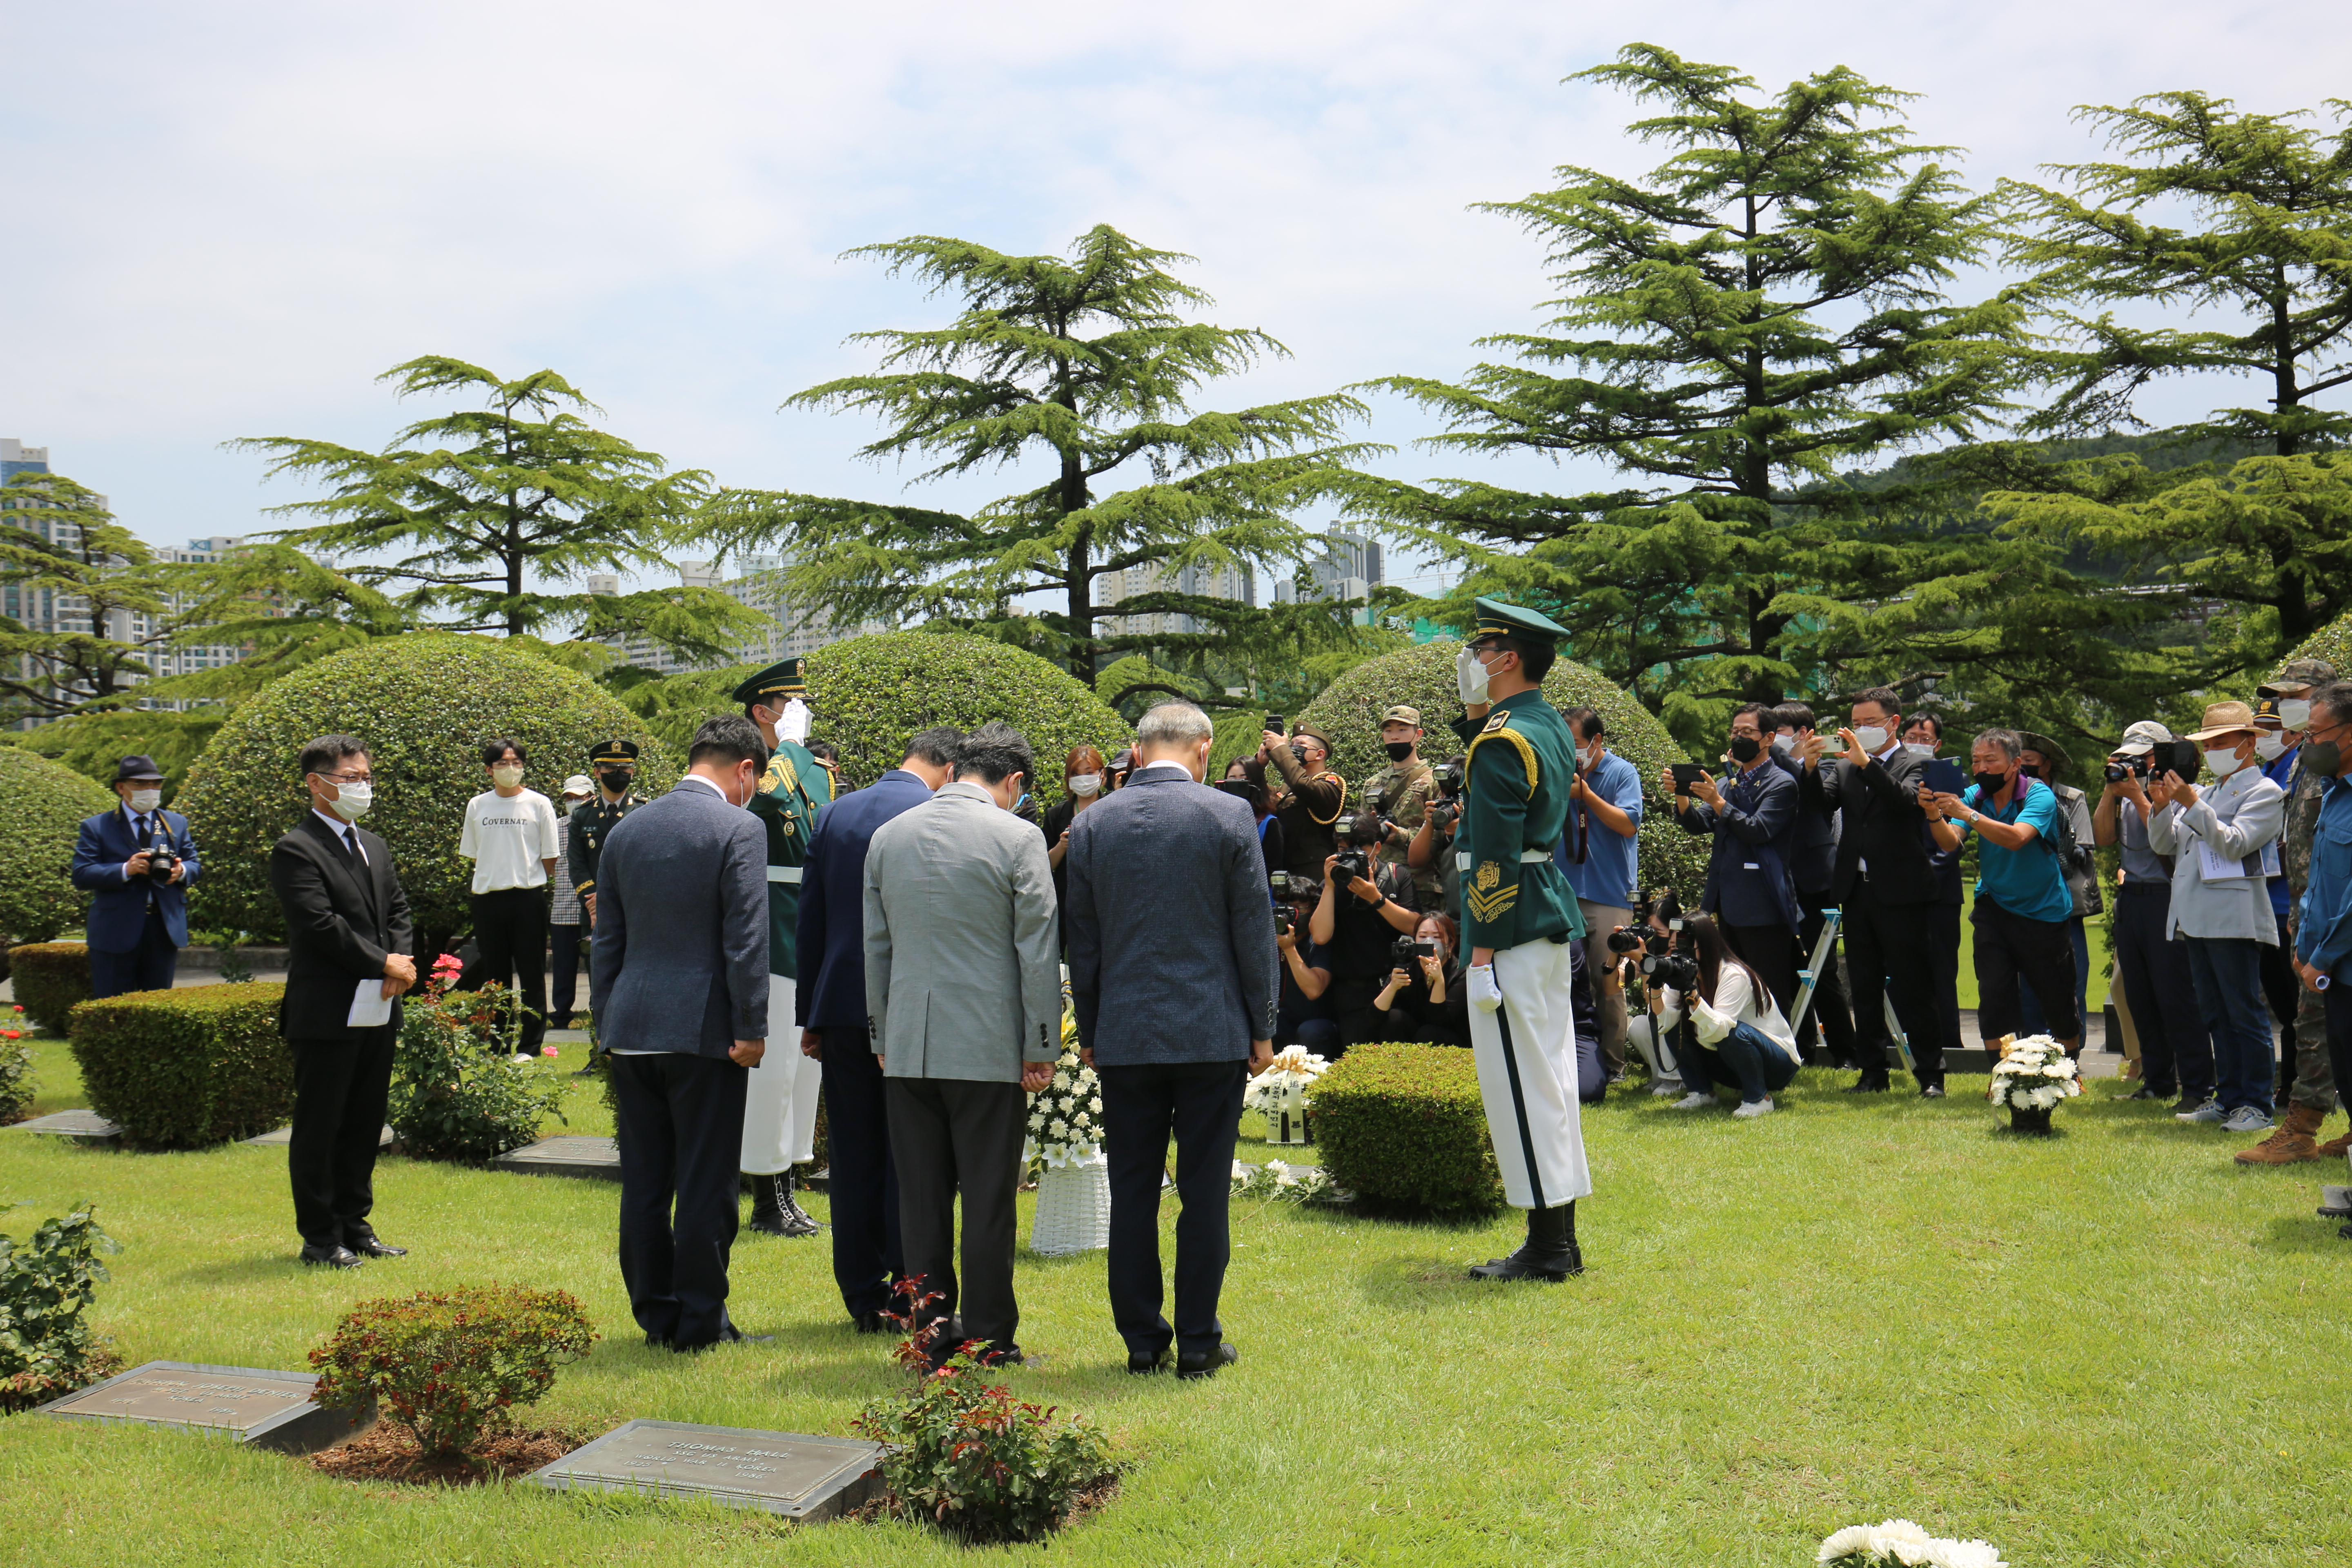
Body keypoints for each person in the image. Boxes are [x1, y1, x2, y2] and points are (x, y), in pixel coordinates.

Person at [1067, 701, 1277, 1379]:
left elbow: (1085, 942)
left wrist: (1091, 1027)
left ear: (1138, 747)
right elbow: (1253, 931)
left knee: (1132, 1190)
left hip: (1126, 1033)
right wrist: (1264, 1026)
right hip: (1210, 1030)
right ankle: (1199, 1339)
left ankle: (1141, 1340)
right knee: (1204, 1190)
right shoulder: (1228, 815)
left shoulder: (1094, 821)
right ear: (1204, 748)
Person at [864, 721, 1061, 1367]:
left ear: (953, 771)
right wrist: (1041, 1044)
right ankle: (985, 1337)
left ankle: (929, 1333)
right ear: (1015, 782)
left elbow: (878, 948)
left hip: (909, 1046)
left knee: (920, 1202)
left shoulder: (889, 836)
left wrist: (882, 1034)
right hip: (986, 1045)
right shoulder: (1019, 835)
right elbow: (1036, 951)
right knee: (986, 1200)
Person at [591, 714, 773, 1351]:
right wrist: (753, 1025)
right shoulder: (740, 827)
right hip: (705, 1032)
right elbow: (746, 939)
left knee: (645, 1183)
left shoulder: (626, 830)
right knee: (705, 1182)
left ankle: (656, 1317)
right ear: (744, 769)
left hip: (632, 1026)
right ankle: (701, 1322)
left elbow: (606, 939)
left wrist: (604, 1023)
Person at [795, 726, 960, 1332]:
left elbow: (810, 921)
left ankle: (862, 1294)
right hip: (913, 1006)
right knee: (913, 1158)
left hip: (839, 1004)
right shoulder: (936, 814)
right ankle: (907, 1285)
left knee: (854, 1153)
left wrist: (810, 1016)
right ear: (949, 770)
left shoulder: (836, 812)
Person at [1448, 602, 1589, 1282]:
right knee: (1550, 1079)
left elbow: (1496, 857)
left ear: (1507, 658)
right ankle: (1560, 1236)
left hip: (1511, 927)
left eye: (1482, 646)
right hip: (1542, 918)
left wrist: (1479, 956)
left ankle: (1548, 1249)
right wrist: (1476, 713)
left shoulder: (1506, 739)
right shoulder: (1540, 724)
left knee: (1523, 1086)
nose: (1472, 655)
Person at [271, 734, 416, 1269]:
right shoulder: (296, 849)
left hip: (379, 1003)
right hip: (327, 1009)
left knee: (363, 1121)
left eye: (366, 777)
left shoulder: (373, 844)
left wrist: (400, 964)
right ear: (317, 783)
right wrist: (383, 963)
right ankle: (319, 1236)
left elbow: (398, 909)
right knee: (320, 1124)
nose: (363, 786)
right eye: (351, 778)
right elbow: (319, 925)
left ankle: (356, 1225)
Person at [2145, 701, 2289, 1132]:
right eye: (2207, 744)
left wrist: (2191, 802)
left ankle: (2257, 1105)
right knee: (2215, 1013)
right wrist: (2159, 807)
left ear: (2249, 744)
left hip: (2233, 916)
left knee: (2243, 1012)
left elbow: (2235, 843)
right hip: (2196, 915)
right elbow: (2167, 845)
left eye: (2221, 742)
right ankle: (2228, 1099)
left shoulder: (2264, 792)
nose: (2211, 752)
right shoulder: (2207, 792)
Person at [733, 659, 836, 1238]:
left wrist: (799, 751)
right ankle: (767, 1198)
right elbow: (769, 803)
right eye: (787, 707)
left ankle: (790, 1185)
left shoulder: (813, 770)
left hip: (810, 929)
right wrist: (791, 746)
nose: (797, 714)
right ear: (763, 713)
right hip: (771, 931)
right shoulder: (754, 771)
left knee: (804, 1073)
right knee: (773, 1071)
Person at [1799, 687, 1944, 1095]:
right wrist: (1810, 768)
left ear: (1894, 723)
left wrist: (1866, 765)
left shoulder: (1915, 762)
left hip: (1903, 891)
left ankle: (1931, 1074)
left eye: (1870, 724)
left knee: (1915, 986)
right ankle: (1873, 1072)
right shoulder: (1843, 766)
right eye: (1855, 724)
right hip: (1856, 890)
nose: (1860, 731)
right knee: (1863, 986)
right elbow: (1820, 805)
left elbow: (1905, 802)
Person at [1925, 730, 2082, 1065]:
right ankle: (1999, 1072)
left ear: (2014, 765)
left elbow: (2016, 838)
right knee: (1994, 992)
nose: (1981, 768)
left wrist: (1967, 815)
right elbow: (1950, 842)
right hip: (1993, 906)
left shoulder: (2039, 796)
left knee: (2056, 998)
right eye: (1976, 761)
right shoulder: (1975, 795)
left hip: (2044, 910)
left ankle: (2070, 1067)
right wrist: (1934, 814)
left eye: (1990, 761)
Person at [2247, 659, 2347, 1163]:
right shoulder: (2312, 759)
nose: (2288, 705)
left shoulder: (2332, 759)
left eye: (2298, 694)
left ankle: (2302, 1130)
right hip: (2310, 914)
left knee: (2316, 1024)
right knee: (2317, 1022)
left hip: (2339, 924)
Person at [2094, 722, 2217, 1114]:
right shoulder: (2127, 794)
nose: (2135, 765)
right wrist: (2111, 790)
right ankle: (2157, 1080)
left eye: (2142, 757)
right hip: (2132, 900)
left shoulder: (2180, 794)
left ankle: (2198, 1085)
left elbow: (2167, 842)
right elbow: (2102, 838)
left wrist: (2142, 796)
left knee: (2176, 996)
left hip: (2168, 897)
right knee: (2140, 996)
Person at [1668, 703, 1800, 1019]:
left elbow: (1759, 830)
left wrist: (1716, 801)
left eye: (1747, 732)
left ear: (1768, 738)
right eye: (1734, 731)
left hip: (1763, 900)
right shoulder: (1726, 782)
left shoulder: (1782, 783)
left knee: (1768, 983)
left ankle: (1780, 1050)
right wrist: (1682, 795)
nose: (1738, 737)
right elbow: (1699, 824)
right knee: (1731, 980)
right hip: (1726, 899)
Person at [2290, 682, 2352, 1221]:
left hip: (2343, 961)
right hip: (2331, 967)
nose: (2308, 745)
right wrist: (2304, 947)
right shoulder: (2335, 793)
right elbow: (2318, 888)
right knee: (2349, 1076)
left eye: (2316, 734)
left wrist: (2323, 955)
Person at [457, 737, 561, 1056]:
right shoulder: (478, 805)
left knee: (531, 973)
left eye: (516, 762)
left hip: (527, 898)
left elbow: (550, 858)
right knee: (495, 975)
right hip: (488, 899)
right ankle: (498, 1043)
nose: (510, 768)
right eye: (502, 763)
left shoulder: (539, 803)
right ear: (489, 769)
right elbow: (475, 854)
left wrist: (522, 875)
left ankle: (529, 1047)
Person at [1557, 707, 1644, 1082]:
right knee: (1561, 982)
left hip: (1608, 894)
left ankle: (1613, 1066)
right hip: (1561, 892)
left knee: (1608, 981)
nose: (1570, 752)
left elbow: (1627, 824)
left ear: (1597, 742)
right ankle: (1569, 1062)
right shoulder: (1554, 772)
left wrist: (1587, 796)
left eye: (1575, 744)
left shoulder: (1622, 772)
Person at [1767, 703, 1857, 1067]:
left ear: (1805, 733)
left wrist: (1786, 755)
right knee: (1786, 967)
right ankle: (1800, 1047)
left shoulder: (1825, 765)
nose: (1775, 741)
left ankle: (1845, 1052)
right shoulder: (1767, 766)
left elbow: (1811, 796)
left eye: (1780, 732)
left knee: (1821, 969)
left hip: (1814, 879)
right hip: (1775, 879)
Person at [70, 754, 200, 999]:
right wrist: (124, 870)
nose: (150, 790)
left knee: (157, 1005)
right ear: (121, 788)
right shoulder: (97, 826)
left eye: (156, 784)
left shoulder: (175, 823)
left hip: (163, 928)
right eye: (140, 784)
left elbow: (195, 864)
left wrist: (180, 872)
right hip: (115, 930)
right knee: (112, 1006)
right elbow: (82, 874)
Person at [1655, 914, 1801, 1117]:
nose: (1679, 954)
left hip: (1777, 1065)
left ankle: (1759, 1100)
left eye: (1687, 947)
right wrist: (1655, 989)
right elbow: (1663, 1024)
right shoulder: (1684, 973)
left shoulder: (1733, 974)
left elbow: (1722, 1029)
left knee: (1732, 1032)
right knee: (1675, 1025)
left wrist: (1692, 993)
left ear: (1707, 946)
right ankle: (1703, 1093)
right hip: (1730, 1061)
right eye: (1674, 947)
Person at [1306, 814, 1422, 1050]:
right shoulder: (1332, 885)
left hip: (1397, 986)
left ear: (1377, 848)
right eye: (1342, 849)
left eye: (1359, 850)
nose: (1349, 856)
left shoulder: (1397, 876)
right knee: (1359, 1059)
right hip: (1353, 994)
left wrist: (1375, 899)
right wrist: (1329, 885)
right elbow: (1320, 936)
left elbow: (1415, 926)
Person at [2013, 734, 2099, 1041]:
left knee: (2071, 980)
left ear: (2047, 765)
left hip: (2064, 905)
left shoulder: (2072, 799)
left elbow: (2080, 850)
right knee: (2026, 983)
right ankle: (2029, 1052)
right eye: (2018, 763)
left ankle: (2070, 1053)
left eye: (2030, 763)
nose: (2023, 769)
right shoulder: (2007, 796)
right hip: (2021, 905)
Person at [1902, 713, 1969, 1070]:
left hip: (1940, 890)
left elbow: (1952, 844)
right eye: (1911, 736)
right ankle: (1902, 1041)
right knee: (1901, 968)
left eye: (1924, 738)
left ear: (1937, 744)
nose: (1917, 742)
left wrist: (1922, 875)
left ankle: (1950, 1043)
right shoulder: (1892, 775)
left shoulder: (1954, 782)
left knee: (1942, 968)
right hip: (1898, 891)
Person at [2252, 695, 2309, 1107]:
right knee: (2284, 1007)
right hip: (2265, 904)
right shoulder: (2266, 770)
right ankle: (2289, 1085)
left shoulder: (2299, 769)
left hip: (2292, 904)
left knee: (2301, 1008)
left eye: (2272, 731)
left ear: (2293, 733)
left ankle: (2299, 1087)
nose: (2264, 739)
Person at [1362, 706, 1440, 906]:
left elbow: (1442, 838)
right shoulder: (1372, 784)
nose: (1395, 737)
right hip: (1378, 884)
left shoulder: (1434, 781)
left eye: (1402, 730)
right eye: (1389, 731)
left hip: (1421, 887)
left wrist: (1401, 836)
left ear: (1418, 734)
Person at [1253, 722, 1346, 880]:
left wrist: (1279, 750)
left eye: (1300, 744)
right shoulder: (1286, 789)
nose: (1291, 749)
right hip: (1284, 872)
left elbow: (1302, 785)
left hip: (1314, 877)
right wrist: (1259, 765)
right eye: (1291, 745)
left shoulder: (1332, 784)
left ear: (1320, 754)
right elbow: (1256, 794)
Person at [567, 738, 644, 926]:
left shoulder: (643, 812)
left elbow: (646, 863)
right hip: (593, 911)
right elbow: (577, 865)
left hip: (632, 909)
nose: (618, 774)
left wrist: (613, 900)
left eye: (624, 769)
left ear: (632, 772)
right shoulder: (582, 814)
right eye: (611, 769)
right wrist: (595, 903)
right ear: (597, 772)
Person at [1042, 746, 1109, 946]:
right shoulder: (1056, 815)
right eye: (1076, 774)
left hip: (1105, 899)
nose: (1083, 779)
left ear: (1102, 774)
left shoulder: (1113, 809)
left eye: (1089, 773)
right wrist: (1062, 846)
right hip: (1067, 901)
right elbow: (1045, 865)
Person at [1372, 913, 1472, 1047]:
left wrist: (1439, 981)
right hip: (1414, 1035)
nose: (1429, 942)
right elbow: (1374, 1019)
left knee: (1428, 1033)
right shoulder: (1408, 970)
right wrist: (1392, 987)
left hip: (1449, 1038)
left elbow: (1440, 1021)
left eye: (1437, 937)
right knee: (1394, 1018)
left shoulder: (1461, 974)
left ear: (1451, 943)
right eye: (1423, 937)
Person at [546, 774, 592, 1032]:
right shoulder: (555, 827)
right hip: (563, 910)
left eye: (580, 798)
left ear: (592, 797)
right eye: (570, 799)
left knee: (598, 969)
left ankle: (599, 1015)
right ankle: (560, 1018)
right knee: (563, 971)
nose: (574, 803)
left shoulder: (599, 824)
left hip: (594, 911)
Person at [1274, 878, 1339, 1056]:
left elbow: (1314, 990)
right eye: (1287, 908)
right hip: (1284, 1021)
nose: (1292, 915)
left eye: (1300, 909)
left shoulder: (1320, 940)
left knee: (1311, 1032)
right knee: (1267, 1027)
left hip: (1320, 1024)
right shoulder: (1268, 940)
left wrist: (1289, 948)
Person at [1406, 754, 1468, 917]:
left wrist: (1465, 830)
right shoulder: (1445, 813)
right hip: (1453, 915)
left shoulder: (1486, 817)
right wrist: (1429, 824)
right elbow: (1415, 860)